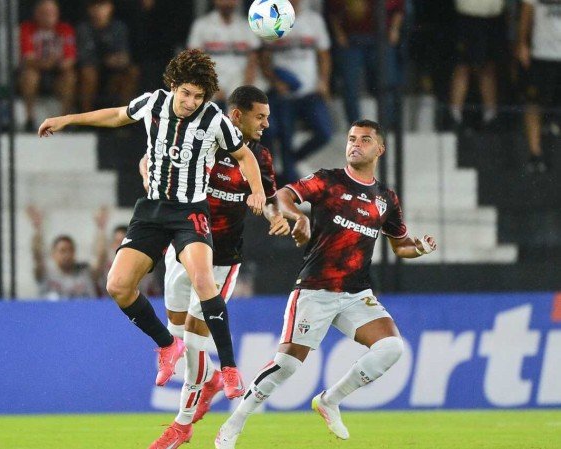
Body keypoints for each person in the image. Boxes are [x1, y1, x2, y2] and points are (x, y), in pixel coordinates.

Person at [37, 49, 267, 396]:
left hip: (190, 212)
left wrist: (258, 190)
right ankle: (167, 344)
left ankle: (230, 368)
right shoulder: (153, 103)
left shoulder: (214, 120)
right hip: (152, 211)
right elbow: (117, 115)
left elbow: (245, 155)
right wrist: (67, 119)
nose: (190, 102)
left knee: (204, 281)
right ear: (173, 86)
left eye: (198, 96)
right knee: (117, 285)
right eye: (186, 93)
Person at [215, 120, 437, 448]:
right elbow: (283, 196)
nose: (355, 144)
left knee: (392, 347)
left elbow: (400, 246)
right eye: (351, 138)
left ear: (380, 149)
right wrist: (299, 217)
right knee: (286, 365)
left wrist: (419, 248)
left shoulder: (385, 199)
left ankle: (330, 400)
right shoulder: (327, 180)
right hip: (315, 288)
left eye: (365, 139)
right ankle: (232, 425)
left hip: (355, 293)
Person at [145, 85, 290, 449]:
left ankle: (182, 425)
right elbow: (150, 159)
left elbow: (270, 198)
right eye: (260, 117)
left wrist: (277, 216)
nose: (266, 124)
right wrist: (149, 176)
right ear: (236, 115)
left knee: (195, 340)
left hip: (221, 260)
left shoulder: (259, 156)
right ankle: (209, 378)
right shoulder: (199, 136)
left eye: (268, 117)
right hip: (181, 248)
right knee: (176, 339)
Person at [261, 0, 333, 183]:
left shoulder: (313, 20)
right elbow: (264, 58)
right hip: (285, 94)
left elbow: (324, 54)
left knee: (324, 132)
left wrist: (323, 81)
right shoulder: (272, 19)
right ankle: (287, 179)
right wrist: (275, 82)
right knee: (285, 139)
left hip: (310, 91)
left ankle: (292, 161)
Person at [326, 0, 404, 126]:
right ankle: (356, 127)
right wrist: (339, 33)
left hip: (381, 38)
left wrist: (395, 29)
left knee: (386, 84)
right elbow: (333, 11)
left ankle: (385, 126)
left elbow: (398, 8)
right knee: (350, 86)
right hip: (351, 39)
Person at [186, 0, 260, 107]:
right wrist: (211, 87)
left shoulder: (246, 25)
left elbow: (253, 60)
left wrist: (245, 87)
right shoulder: (202, 25)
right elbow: (194, 59)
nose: (227, 3)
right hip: (210, 82)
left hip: (239, 80)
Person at [26, 205, 108, 299]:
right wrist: (37, 230)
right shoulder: (45, 274)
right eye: (62, 251)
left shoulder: (86, 272)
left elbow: (101, 257)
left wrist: (101, 229)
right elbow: (37, 255)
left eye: (70, 250)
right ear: (53, 254)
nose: (67, 254)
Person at [517, 0, 561, 174]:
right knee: (533, 103)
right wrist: (522, 42)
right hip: (541, 53)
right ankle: (535, 153)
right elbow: (526, 12)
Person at [19, 0, 77, 131]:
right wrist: (48, 62)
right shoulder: (27, 28)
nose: (49, 16)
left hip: (57, 74)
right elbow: (28, 59)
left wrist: (54, 63)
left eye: (52, 12)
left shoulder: (65, 29)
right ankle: (30, 119)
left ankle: (65, 120)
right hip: (35, 71)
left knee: (70, 76)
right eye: (44, 13)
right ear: (36, 14)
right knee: (29, 75)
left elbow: (69, 60)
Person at [448, 0, 506, 129]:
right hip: (466, 14)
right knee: (462, 65)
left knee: (488, 66)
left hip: (494, 15)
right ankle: (454, 116)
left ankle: (490, 117)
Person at [76, 0, 138, 112]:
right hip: (92, 69)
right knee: (88, 73)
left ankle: (125, 116)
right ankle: (86, 115)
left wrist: (121, 60)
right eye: (95, 6)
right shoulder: (83, 29)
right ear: (89, 9)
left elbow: (124, 54)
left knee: (132, 72)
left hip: (114, 71)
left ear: (110, 7)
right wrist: (104, 60)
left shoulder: (119, 28)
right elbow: (84, 57)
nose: (99, 10)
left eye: (103, 6)